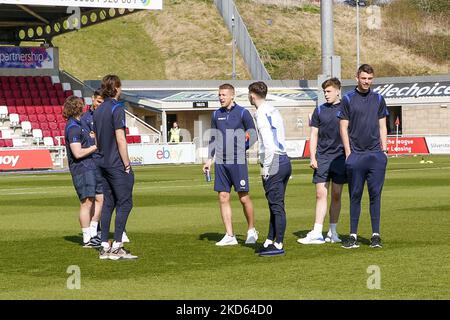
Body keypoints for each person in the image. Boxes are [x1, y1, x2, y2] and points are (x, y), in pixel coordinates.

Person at [338, 64, 388, 249]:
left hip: (376, 155)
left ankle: (375, 235)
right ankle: (353, 235)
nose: (367, 81)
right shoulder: (348, 99)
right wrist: (348, 153)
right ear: (357, 78)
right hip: (356, 156)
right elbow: (343, 127)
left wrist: (384, 150)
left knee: (375, 195)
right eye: (364, 78)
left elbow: (383, 125)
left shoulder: (379, 99)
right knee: (355, 195)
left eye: (370, 78)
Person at [203, 83, 258, 246]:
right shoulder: (215, 115)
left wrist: (243, 148)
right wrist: (209, 159)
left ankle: (251, 230)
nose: (221, 98)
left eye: (224, 95)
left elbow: (253, 134)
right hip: (220, 161)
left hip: (238, 161)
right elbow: (213, 137)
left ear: (232, 96)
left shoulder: (243, 113)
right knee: (223, 196)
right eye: (219, 95)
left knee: (243, 197)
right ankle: (230, 235)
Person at [93, 75, 137, 260]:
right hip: (116, 163)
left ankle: (104, 245)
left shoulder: (98, 109)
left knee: (108, 203)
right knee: (125, 203)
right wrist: (127, 164)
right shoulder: (117, 108)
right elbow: (121, 138)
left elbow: (97, 140)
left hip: (102, 162)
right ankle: (117, 246)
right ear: (117, 88)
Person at [298, 78, 346, 245]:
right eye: (324, 91)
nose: (326, 94)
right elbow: (313, 135)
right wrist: (312, 156)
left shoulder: (346, 109)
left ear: (338, 91)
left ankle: (333, 232)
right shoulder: (319, 110)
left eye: (329, 91)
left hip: (340, 158)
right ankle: (317, 231)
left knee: (336, 195)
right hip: (323, 157)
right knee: (320, 194)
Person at [80, 90, 130, 243]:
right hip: (94, 162)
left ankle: (118, 232)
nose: (100, 104)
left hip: (107, 160)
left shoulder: (106, 113)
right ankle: (96, 232)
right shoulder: (86, 118)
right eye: (98, 101)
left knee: (112, 198)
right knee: (100, 199)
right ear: (92, 99)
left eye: (102, 101)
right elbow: (88, 140)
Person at [248, 82, 291, 257]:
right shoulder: (273, 109)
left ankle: (278, 243)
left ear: (252, 95)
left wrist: (266, 166)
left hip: (273, 160)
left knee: (276, 205)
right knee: (275, 204)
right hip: (284, 159)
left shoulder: (260, 113)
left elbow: (268, 142)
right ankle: (270, 240)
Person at [63, 96, 100, 248]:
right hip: (82, 168)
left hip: (89, 167)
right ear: (78, 107)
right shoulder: (73, 127)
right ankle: (87, 238)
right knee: (86, 203)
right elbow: (77, 153)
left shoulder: (79, 124)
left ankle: (92, 234)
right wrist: (96, 146)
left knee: (96, 200)